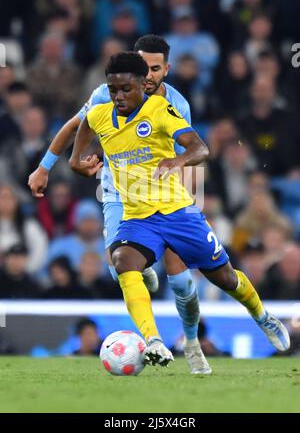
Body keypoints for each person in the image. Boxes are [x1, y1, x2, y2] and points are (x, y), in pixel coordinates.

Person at [70, 51, 290, 370]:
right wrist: (79, 164)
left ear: (142, 85)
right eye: (113, 89)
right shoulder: (100, 115)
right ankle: (154, 340)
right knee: (122, 261)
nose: (118, 96)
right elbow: (82, 138)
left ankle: (262, 316)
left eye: (125, 89)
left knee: (226, 279)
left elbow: (200, 147)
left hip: (179, 214)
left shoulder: (160, 109)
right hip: (138, 219)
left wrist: (179, 160)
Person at [28, 35, 207, 373]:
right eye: (143, 66)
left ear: (166, 69)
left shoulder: (177, 106)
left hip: (162, 199)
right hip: (116, 193)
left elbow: (184, 156)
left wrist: (188, 206)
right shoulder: (106, 94)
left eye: (155, 68)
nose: (149, 75)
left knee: (183, 283)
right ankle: (144, 276)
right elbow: (74, 126)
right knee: (117, 268)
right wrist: (43, 167)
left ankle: (192, 343)